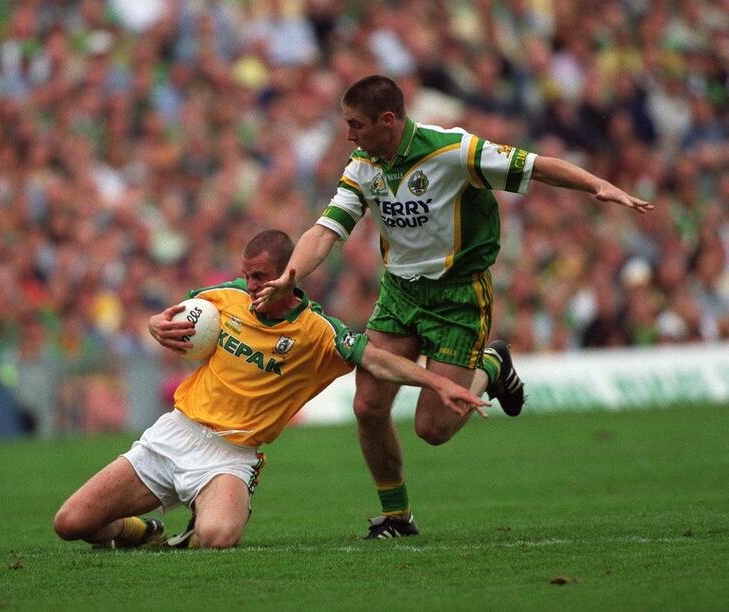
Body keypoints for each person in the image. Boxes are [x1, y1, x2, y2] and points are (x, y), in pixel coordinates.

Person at [253, 74, 654, 539]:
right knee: (368, 405)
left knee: (434, 428)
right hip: (401, 294)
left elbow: (536, 166)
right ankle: (396, 517)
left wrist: (597, 185)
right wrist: (291, 276)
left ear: (388, 120)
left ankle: (491, 365)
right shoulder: (363, 164)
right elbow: (327, 229)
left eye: (356, 124)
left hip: (459, 297)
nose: (349, 135)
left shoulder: (454, 151)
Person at [53, 229, 488, 550]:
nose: (251, 286)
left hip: (230, 456)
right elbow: (170, 317)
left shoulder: (318, 332)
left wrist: (436, 382)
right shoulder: (223, 299)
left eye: (260, 277)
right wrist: (153, 324)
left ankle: (208, 514)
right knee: (71, 523)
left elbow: (375, 359)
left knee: (217, 538)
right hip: (174, 435)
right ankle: (140, 530)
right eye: (246, 276)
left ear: (288, 275)